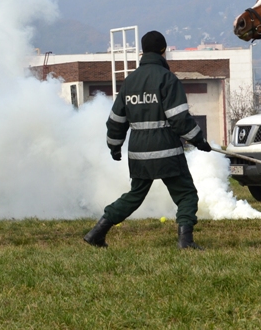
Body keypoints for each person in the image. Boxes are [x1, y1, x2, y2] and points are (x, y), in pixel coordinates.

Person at [84, 31, 212, 250]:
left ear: (143, 51)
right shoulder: (167, 78)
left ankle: (97, 232)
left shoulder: (130, 81)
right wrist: (199, 140)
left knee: (135, 196)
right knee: (186, 195)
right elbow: (179, 118)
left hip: (139, 153)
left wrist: (114, 146)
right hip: (167, 152)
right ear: (164, 50)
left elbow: (116, 120)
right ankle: (185, 241)